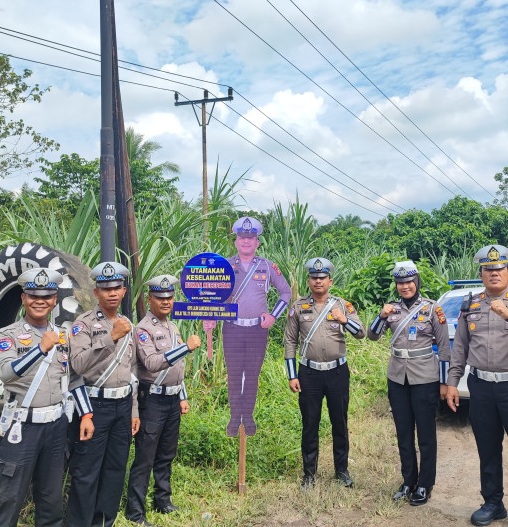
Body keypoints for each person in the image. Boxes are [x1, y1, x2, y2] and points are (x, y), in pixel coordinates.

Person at [445, 245, 508, 527]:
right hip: (481, 388)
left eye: (499, 269)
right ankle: (493, 503)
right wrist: (452, 382)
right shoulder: (472, 304)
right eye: (488, 269)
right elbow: (461, 348)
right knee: (487, 448)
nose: (494, 273)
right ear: (481, 274)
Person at [0, 268, 93, 527]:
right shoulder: (7, 335)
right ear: (23, 299)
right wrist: (40, 349)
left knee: (51, 498)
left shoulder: (63, 336)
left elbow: (74, 378)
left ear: (55, 300)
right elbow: (6, 373)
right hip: (21, 428)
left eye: (46, 296)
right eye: (33, 295)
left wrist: (87, 414)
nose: (40, 301)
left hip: (56, 427)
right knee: (9, 498)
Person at [367, 260, 450, 506]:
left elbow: (444, 349)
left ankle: (425, 484)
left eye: (409, 282)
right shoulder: (391, 309)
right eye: (400, 283)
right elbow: (372, 335)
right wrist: (381, 316)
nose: (405, 287)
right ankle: (408, 481)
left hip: (425, 378)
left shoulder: (433, 309)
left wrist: (445, 384)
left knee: (425, 435)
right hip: (397, 378)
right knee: (403, 433)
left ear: (417, 282)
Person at [203, 216, 292, 436]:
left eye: (250, 238)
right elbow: (212, 294)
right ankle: (235, 419)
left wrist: (273, 316)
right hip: (232, 328)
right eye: (242, 237)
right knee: (234, 374)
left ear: (257, 242)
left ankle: (248, 417)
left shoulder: (267, 266)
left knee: (252, 374)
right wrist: (211, 316)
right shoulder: (224, 265)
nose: (246, 241)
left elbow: (286, 292)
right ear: (235, 241)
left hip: (256, 330)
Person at [67, 261, 140, 527]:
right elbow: (77, 365)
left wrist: (133, 410)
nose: (111, 293)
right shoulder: (83, 324)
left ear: (123, 291)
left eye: (117, 288)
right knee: (86, 472)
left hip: (122, 406)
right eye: (105, 288)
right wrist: (111, 337)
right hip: (94, 406)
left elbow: (131, 372)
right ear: (96, 292)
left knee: (114, 470)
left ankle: (103, 523)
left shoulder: (127, 323)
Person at [125, 275, 202, 526]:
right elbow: (151, 363)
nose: (166, 301)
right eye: (160, 297)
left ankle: (162, 500)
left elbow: (176, 368)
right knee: (145, 457)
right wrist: (186, 348)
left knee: (166, 454)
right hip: (152, 401)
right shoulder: (143, 329)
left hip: (171, 400)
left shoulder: (172, 327)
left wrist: (183, 396)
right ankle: (135, 512)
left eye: (169, 297)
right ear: (150, 299)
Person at [284, 257, 366, 489]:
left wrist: (344, 320)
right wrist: (292, 375)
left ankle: (342, 470)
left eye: (322, 278)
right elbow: (290, 341)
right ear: (308, 281)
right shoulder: (298, 307)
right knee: (310, 423)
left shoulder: (343, 306)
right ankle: (309, 474)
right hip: (309, 374)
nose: (318, 281)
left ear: (330, 280)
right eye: (314, 278)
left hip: (337, 372)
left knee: (339, 422)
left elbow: (361, 333)